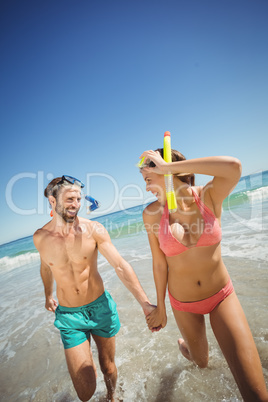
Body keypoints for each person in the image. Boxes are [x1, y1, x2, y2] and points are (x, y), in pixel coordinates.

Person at [139, 149, 268, 402]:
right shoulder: (152, 214)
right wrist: (161, 307)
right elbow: (159, 264)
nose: (146, 189)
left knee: (255, 394)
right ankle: (186, 347)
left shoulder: (208, 196)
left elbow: (233, 166)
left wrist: (168, 169)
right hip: (183, 303)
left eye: (147, 179)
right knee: (201, 362)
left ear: (166, 171)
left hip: (221, 296)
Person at [33, 175, 157, 402]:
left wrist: (145, 304)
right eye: (70, 199)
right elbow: (45, 268)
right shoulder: (40, 238)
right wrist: (47, 295)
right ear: (53, 201)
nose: (76, 204)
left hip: (100, 308)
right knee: (85, 390)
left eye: (79, 199)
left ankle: (112, 396)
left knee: (108, 368)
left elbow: (120, 265)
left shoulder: (94, 230)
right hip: (70, 316)